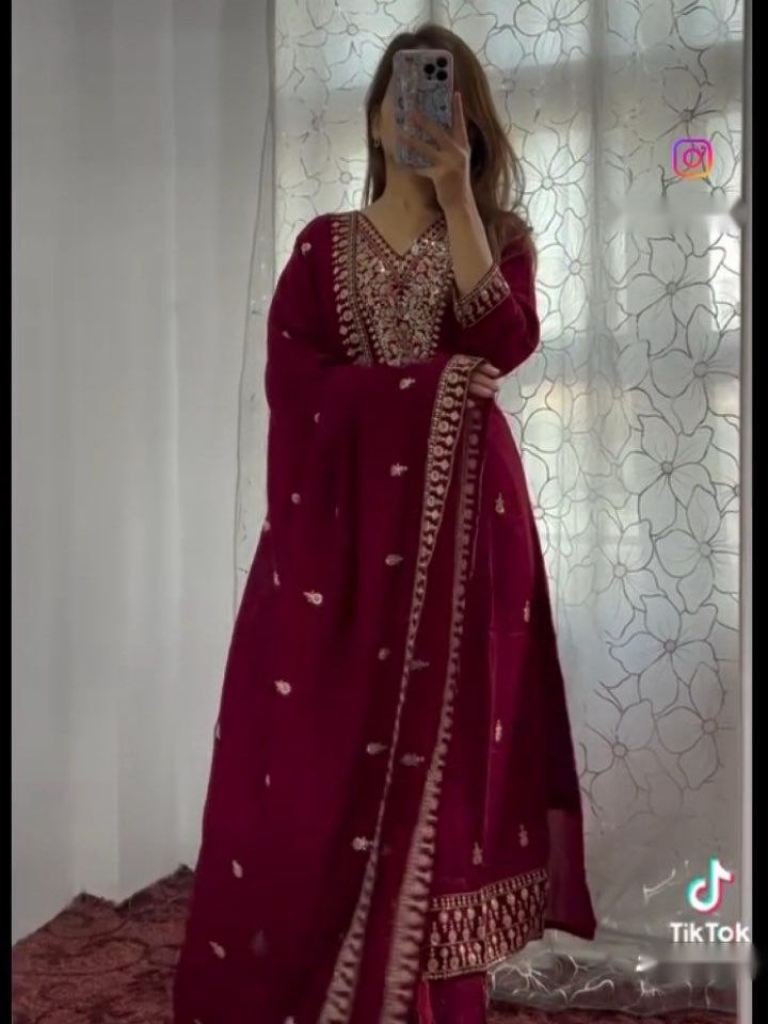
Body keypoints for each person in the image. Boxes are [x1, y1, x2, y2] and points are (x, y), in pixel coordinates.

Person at [173, 21, 597, 1024]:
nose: (420, 116)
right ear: (372, 119)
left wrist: (459, 201)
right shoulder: (322, 248)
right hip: (343, 547)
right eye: (403, 97)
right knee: (318, 760)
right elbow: (296, 384)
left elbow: (504, 343)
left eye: (443, 102)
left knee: (452, 775)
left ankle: (434, 1000)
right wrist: (432, 387)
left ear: (471, 125)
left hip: (468, 547)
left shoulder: (501, 238)